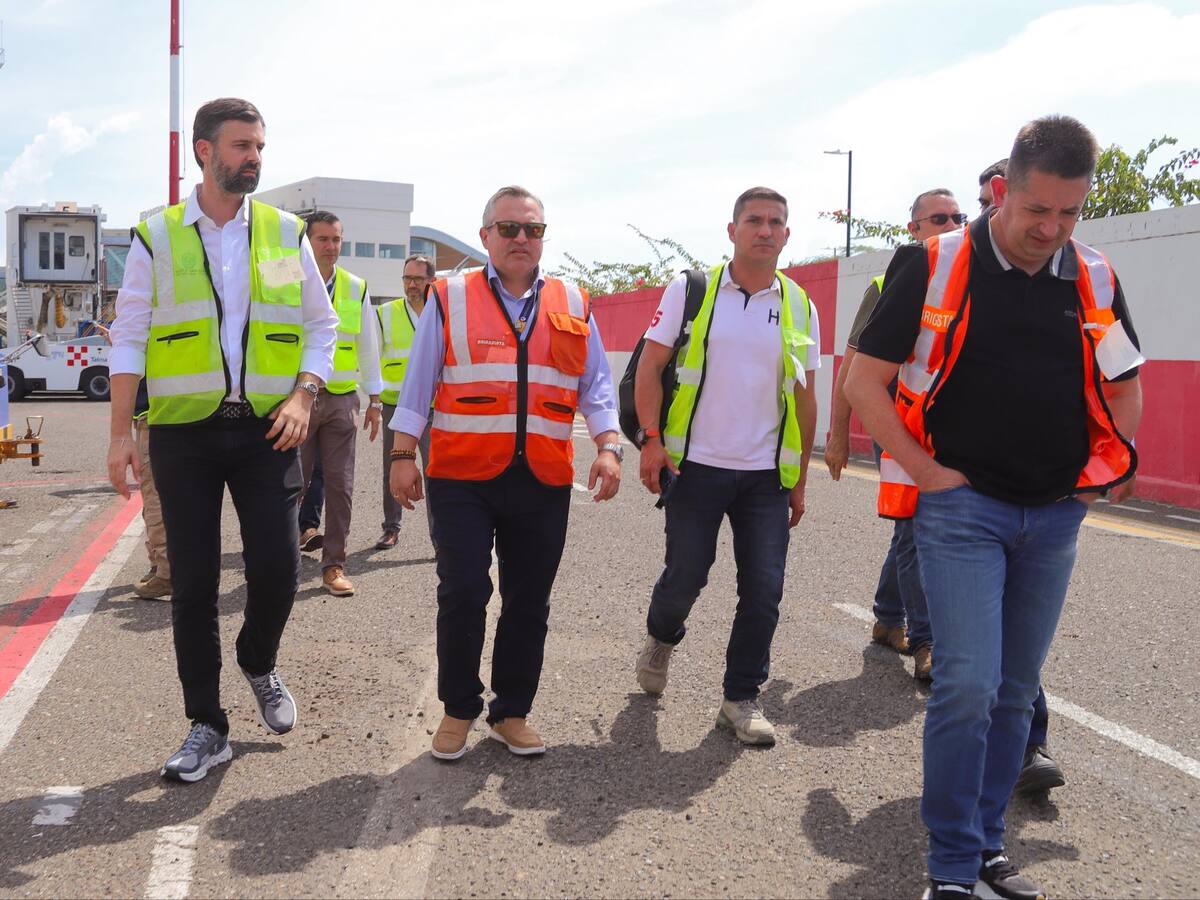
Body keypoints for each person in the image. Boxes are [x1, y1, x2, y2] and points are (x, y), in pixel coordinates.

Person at [846, 115, 1142, 900]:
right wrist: (923, 470)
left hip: (1054, 516)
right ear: (1004, 190)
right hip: (961, 507)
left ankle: (984, 848)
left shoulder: (1095, 277)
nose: (1050, 229)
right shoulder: (933, 263)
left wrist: (1100, 472)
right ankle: (948, 866)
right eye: (1036, 210)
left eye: (1069, 214)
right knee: (968, 684)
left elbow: (1122, 383)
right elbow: (862, 382)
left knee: (1016, 688)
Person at [107, 97, 338, 783]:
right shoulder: (158, 235)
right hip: (183, 433)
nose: (254, 158)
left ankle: (258, 659)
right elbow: (128, 335)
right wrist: (121, 432)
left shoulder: (281, 232)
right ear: (203, 152)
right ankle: (207, 724)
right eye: (241, 146)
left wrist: (304, 393)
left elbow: (320, 328)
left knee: (276, 568)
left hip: (268, 428)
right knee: (194, 583)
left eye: (260, 147)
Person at [388, 185, 622, 761]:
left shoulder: (574, 300)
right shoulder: (451, 295)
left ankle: (511, 711)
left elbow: (595, 385)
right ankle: (459, 709)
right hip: (462, 473)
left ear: (543, 237)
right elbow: (419, 380)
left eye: (533, 230)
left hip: (542, 476)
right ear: (486, 234)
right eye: (509, 228)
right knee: (464, 589)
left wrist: (609, 445)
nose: (522, 239)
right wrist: (400, 455)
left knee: (528, 599)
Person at [633, 187, 819, 746]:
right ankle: (661, 637)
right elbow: (651, 365)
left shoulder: (798, 303)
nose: (765, 230)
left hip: (765, 477)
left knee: (764, 590)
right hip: (696, 468)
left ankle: (740, 699)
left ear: (788, 235)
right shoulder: (694, 289)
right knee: (684, 579)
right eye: (754, 220)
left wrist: (799, 477)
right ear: (732, 229)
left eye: (776, 222)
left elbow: (804, 398)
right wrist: (650, 440)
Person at [826, 189, 966, 681]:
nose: (950, 225)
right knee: (915, 530)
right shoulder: (893, 279)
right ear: (913, 229)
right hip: (901, 429)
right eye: (938, 218)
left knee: (909, 528)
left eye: (957, 216)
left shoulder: (972, 277)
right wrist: (838, 435)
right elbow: (851, 363)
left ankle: (888, 619)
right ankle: (926, 640)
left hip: (951, 433)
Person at [295, 211, 383, 596]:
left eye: (336, 240)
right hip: (295, 398)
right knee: (287, 484)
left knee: (340, 486)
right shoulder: (284, 274)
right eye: (322, 239)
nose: (330, 247)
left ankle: (333, 566)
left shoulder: (355, 286)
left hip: (342, 400)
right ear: (306, 240)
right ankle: (275, 561)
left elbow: (367, 345)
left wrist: (375, 398)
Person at [375, 254, 435, 551]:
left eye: (418, 279)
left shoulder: (441, 312)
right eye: (407, 278)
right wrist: (374, 400)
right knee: (393, 467)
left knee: (437, 471)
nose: (411, 285)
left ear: (431, 281)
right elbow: (371, 358)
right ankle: (391, 528)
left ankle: (440, 538)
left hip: (435, 407)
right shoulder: (385, 313)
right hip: (395, 405)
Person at [132, 378, 173, 600]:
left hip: (155, 414)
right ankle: (159, 564)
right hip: (159, 413)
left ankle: (167, 572)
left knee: (154, 497)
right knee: (155, 497)